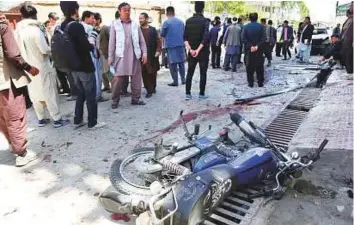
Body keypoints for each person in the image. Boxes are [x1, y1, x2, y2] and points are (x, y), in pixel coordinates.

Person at [15, 3, 69, 128]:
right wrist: (53, 49)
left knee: (34, 93)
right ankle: (57, 119)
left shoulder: (17, 31)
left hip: (27, 68)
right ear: (34, 15)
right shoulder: (35, 30)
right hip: (42, 66)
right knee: (49, 93)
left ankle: (41, 118)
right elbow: (44, 50)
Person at [0, 12, 40, 166]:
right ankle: (21, 154)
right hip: (5, 80)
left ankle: (12, 144)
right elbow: (13, 54)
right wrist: (29, 68)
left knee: (2, 116)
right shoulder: (2, 25)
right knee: (15, 115)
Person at [60, 1, 105, 129]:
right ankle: (92, 122)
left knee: (80, 93)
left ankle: (78, 119)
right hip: (84, 65)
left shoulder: (62, 25)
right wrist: (92, 36)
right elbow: (87, 47)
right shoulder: (76, 26)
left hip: (72, 66)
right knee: (90, 94)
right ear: (75, 10)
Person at [108, 2, 148, 109]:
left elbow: (142, 41)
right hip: (121, 57)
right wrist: (110, 57)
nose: (127, 11)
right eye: (125, 10)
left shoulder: (135, 25)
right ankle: (115, 100)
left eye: (129, 9)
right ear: (119, 11)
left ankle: (136, 99)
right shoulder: (114, 24)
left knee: (136, 79)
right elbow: (111, 43)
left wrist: (144, 53)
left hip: (135, 56)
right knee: (117, 80)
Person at [184, 1, 210, 100]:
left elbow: (185, 37)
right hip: (203, 52)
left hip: (191, 52)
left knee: (190, 72)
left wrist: (191, 50)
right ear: (203, 8)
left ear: (194, 8)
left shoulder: (188, 21)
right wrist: (198, 50)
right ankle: (201, 94)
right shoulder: (205, 21)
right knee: (203, 73)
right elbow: (206, 37)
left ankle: (188, 94)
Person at [160, 6, 186, 86]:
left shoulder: (166, 23)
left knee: (172, 64)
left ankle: (175, 81)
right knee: (181, 63)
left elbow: (162, 34)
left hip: (171, 46)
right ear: (174, 13)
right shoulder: (181, 22)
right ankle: (183, 79)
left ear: (166, 13)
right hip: (181, 45)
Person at [139, 12, 161, 98]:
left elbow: (158, 41)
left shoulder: (153, 29)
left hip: (152, 55)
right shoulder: (138, 30)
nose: (140, 20)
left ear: (147, 19)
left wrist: (158, 50)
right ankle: (149, 90)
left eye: (142, 18)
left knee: (152, 72)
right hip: (142, 56)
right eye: (139, 18)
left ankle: (153, 87)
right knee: (144, 73)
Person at [242, 12, 265, 88]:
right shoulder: (261, 27)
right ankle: (260, 82)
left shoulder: (246, 27)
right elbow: (264, 38)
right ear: (257, 18)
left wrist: (251, 46)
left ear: (249, 18)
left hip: (249, 50)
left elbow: (243, 38)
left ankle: (250, 83)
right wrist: (257, 46)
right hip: (259, 50)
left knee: (249, 67)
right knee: (260, 66)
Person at [98, 13, 113, 93]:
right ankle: (106, 86)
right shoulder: (94, 29)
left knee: (107, 71)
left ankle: (114, 87)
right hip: (98, 54)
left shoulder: (105, 28)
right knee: (102, 72)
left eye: (96, 19)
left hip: (104, 53)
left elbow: (111, 39)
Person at [340, 8, 353, 74]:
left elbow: (346, 28)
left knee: (348, 56)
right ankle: (348, 70)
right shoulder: (348, 20)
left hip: (349, 40)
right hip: (345, 39)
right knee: (344, 54)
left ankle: (350, 71)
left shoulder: (351, 20)